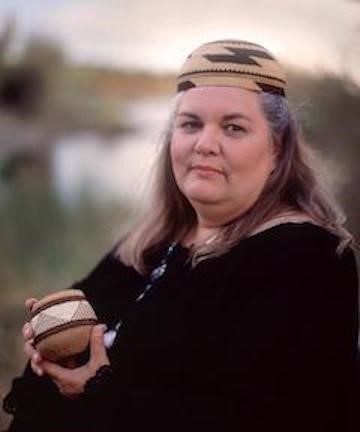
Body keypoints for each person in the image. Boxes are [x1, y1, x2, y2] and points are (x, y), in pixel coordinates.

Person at [3, 39, 359, 432]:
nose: (205, 144)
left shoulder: (308, 260)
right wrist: (49, 351)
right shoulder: (149, 243)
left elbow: (272, 419)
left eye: (234, 127)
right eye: (190, 124)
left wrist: (99, 391)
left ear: (276, 149)